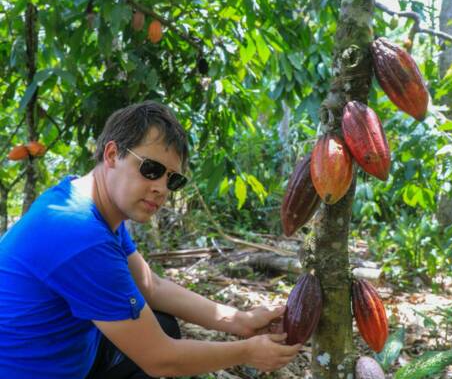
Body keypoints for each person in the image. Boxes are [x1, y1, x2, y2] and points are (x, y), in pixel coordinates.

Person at [0, 101, 301, 379]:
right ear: (112, 154)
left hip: (71, 354)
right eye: (151, 169)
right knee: (157, 344)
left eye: (173, 179)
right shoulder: (79, 232)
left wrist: (241, 321)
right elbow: (159, 358)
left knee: (163, 324)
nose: (161, 188)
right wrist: (249, 352)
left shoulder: (85, 203)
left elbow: (150, 285)